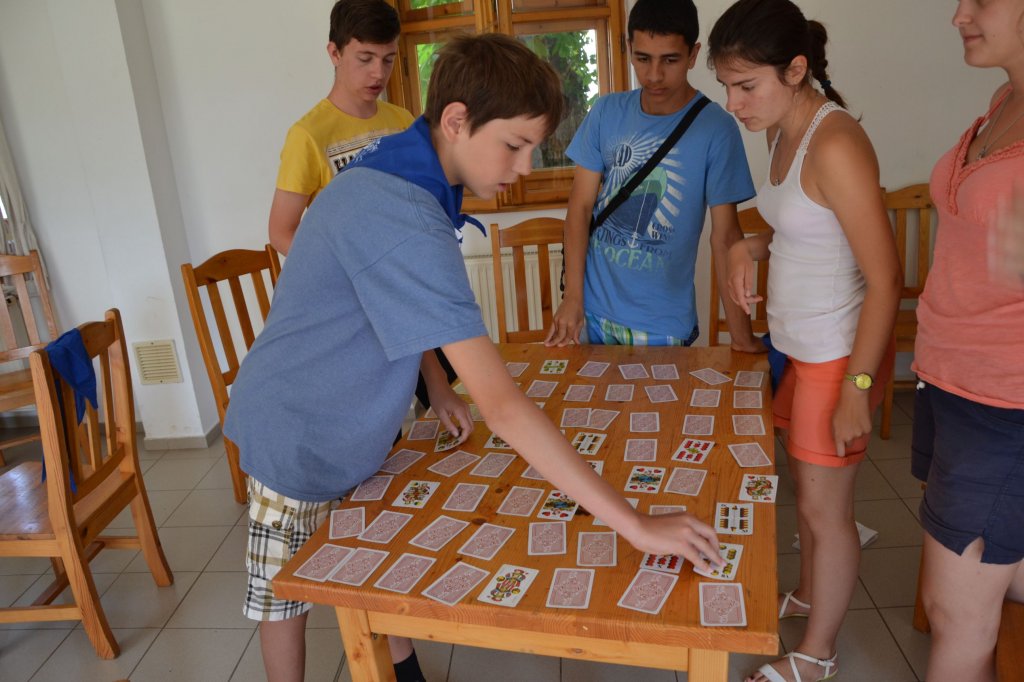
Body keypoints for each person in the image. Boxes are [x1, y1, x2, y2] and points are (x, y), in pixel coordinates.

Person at [225, 33, 725, 682]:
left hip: (353, 419)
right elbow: (504, 408)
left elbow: (393, 304)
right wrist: (635, 525)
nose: (524, 168)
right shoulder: (400, 208)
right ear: (457, 121)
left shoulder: (408, 170)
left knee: (367, 566)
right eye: (514, 145)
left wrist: (436, 384)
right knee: (283, 600)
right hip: (297, 429)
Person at [709, 1, 901, 680]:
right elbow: (807, 225)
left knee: (825, 512)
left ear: (795, 70)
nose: (733, 103)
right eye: (726, 86)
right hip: (799, 348)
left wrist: (857, 387)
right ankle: (814, 593)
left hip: (836, 357)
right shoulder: (782, 130)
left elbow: (886, 278)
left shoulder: (835, 142)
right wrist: (751, 248)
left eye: (746, 86)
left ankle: (818, 656)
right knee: (808, 496)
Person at [911, 2, 1024, 680]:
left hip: (1004, 408)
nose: (959, 14)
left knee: (956, 616)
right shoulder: (1006, 98)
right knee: (975, 590)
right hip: (952, 384)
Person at [545, 0, 762, 352]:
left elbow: (725, 237)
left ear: (692, 55)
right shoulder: (606, 112)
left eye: (670, 60)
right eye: (643, 58)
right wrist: (572, 298)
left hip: (661, 323)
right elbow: (580, 209)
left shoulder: (716, 129)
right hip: (591, 312)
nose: (654, 75)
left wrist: (741, 338)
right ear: (629, 47)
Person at [268, 0, 413, 256]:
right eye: (365, 59)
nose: (378, 73)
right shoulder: (307, 135)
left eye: (388, 60)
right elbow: (281, 233)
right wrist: (339, 267)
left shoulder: (403, 121)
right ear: (335, 53)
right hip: (350, 276)